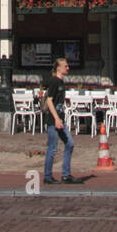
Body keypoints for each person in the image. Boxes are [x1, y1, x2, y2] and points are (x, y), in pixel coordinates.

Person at [43, 57, 81, 185]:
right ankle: (47, 176)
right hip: (54, 120)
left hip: (60, 119)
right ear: (58, 68)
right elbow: (49, 100)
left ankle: (65, 175)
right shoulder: (54, 81)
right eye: (65, 66)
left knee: (69, 143)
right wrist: (56, 119)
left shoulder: (61, 82)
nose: (68, 68)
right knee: (52, 148)